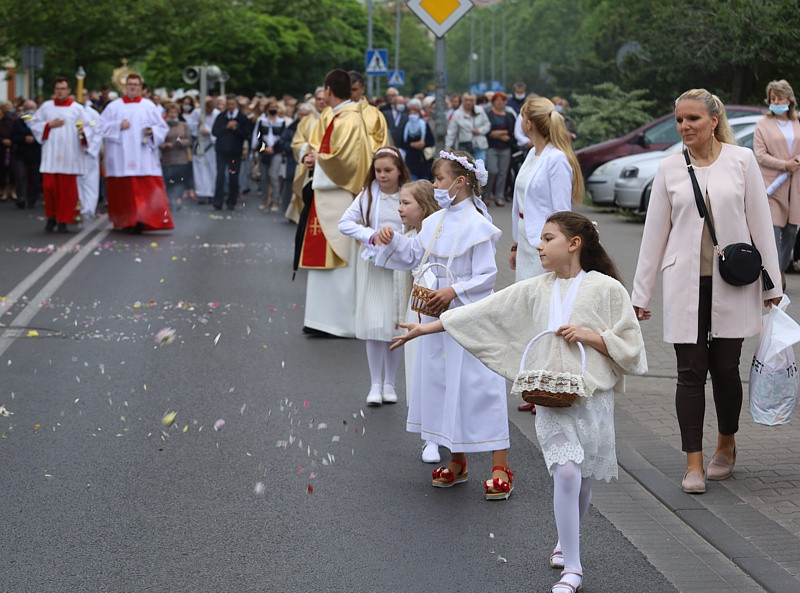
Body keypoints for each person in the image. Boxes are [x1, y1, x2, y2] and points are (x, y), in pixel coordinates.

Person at [392, 211, 647, 593]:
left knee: (582, 479)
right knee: (565, 472)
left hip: (591, 397)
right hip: (548, 395)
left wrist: (591, 337)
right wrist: (426, 327)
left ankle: (566, 541)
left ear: (574, 244)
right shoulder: (535, 288)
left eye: (548, 239)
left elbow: (632, 347)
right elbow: (484, 311)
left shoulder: (607, 289)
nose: (538, 246)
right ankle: (573, 570)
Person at [632, 89, 782, 494]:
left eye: (693, 119)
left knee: (726, 369)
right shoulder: (669, 168)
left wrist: (773, 286)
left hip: (733, 283)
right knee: (689, 372)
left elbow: (760, 224)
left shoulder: (742, 160)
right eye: (680, 120)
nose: (684, 127)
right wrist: (640, 295)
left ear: (714, 120)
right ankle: (693, 463)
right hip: (685, 284)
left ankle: (726, 444)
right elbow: (653, 235)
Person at [373, 150, 514, 500]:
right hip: (435, 315)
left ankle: (500, 464)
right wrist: (393, 240)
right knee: (442, 384)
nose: (435, 185)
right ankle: (458, 459)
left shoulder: (478, 226)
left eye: (440, 179)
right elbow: (414, 255)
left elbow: (487, 275)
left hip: (468, 315)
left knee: (479, 386)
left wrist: (454, 290)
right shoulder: (436, 223)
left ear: (461, 182)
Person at [510, 96, 584, 414]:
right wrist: (515, 243)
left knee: (549, 315)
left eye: (523, 117)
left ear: (528, 122)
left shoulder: (556, 160)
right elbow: (520, 203)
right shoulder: (531, 154)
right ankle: (536, 385)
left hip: (546, 248)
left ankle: (552, 385)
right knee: (532, 313)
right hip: (527, 245)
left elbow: (562, 211)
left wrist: (558, 250)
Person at [297, 68, 373, 337]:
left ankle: (337, 323)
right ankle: (320, 319)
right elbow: (330, 155)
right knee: (327, 259)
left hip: (338, 197)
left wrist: (317, 160)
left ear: (328, 90)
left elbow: (346, 163)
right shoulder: (340, 116)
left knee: (340, 260)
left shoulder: (348, 120)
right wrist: (314, 157)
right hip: (328, 198)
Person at [337, 147, 412, 405]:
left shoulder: (408, 193)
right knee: (374, 322)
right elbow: (344, 223)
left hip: (401, 266)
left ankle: (390, 382)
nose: (382, 175)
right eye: (378, 171)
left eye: (388, 170)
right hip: (374, 265)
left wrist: (400, 240)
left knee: (394, 323)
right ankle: (375, 383)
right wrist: (370, 234)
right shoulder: (368, 195)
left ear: (399, 170)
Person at [393, 179, 441, 461]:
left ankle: (446, 428)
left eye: (405, 203)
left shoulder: (439, 234)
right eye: (399, 202)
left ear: (423, 208)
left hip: (441, 308)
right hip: (418, 310)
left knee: (440, 370)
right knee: (418, 369)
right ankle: (429, 436)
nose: (399, 208)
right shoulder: (408, 234)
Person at [99, 72, 174, 233]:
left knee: (143, 190)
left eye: (136, 85)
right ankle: (128, 220)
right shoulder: (114, 106)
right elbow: (100, 127)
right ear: (125, 87)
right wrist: (118, 125)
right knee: (125, 191)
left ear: (140, 87)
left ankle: (142, 220)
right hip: (121, 156)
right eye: (130, 84)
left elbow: (162, 127)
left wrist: (151, 131)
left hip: (143, 156)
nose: (133, 87)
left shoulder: (148, 106)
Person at [29, 76, 93, 232]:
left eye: (63, 88)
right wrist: (48, 125)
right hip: (50, 154)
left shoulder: (77, 108)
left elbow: (88, 127)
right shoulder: (46, 106)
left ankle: (64, 220)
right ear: (54, 90)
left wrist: (82, 132)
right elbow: (33, 122)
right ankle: (51, 218)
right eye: (58, 88)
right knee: (49, 188)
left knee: (66, 192)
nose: (60, 91)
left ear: (69, 90)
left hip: (69, 156)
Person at [753, 79, 800, 290]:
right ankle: (770, 273)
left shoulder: (797, 122)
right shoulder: (763, 124)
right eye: (772, 98)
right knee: (772, 232)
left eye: (779, 98)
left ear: (789, 100)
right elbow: (760, 155)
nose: (775, 102)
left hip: (794, 186)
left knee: (791, 231)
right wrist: (784, 164)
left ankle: (781, 267)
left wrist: (795, 162)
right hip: (772, 185)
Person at [287, 89, 326, 224]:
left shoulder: (335, 119)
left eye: (324, 98)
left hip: (327, 166)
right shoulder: (307, 121)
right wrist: (308, 152)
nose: (321, 101)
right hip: (309, 166)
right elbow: (296, 142)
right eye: (318, 99)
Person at [212, 94, 252, 211]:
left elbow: (245, 134)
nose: (230, 106)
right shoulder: (221, 116)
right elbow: (215, 132)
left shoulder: (242, 118)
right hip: (221, 151)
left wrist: (236, 129)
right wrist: (226, 127)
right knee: (220, 176)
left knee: (233, 176)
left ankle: (231, 201)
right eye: (228, 104)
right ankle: (218, 201)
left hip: (235, 151)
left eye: (233, 104)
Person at [252, 99, 287, 212]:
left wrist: (274, 148)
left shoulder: (281, 122)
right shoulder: (261, 121)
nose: (273, 109)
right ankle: (264, 199)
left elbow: (283, 138)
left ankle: (275, 201)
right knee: (263, 177)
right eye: (271, 107)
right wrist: (260, 148)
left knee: (273, 175)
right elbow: (257, 136)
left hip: (276, 152)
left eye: (275, 107)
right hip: (264, 150)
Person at [485, 92, 517, 207]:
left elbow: (512, 131)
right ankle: (486, 195)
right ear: (493, 102)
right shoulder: (488, 114)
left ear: (505, 103)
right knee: (492, 171)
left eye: (501, 101)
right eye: (496, 101)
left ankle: (499, 196)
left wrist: (500, 133)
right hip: (491, 147)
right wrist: (501, 134)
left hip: (506, 148)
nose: (499, 103)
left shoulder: (509, 115)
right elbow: (488, 131)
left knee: (503, 173)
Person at [160, 103, 192, 211]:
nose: (173, 115)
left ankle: (177, 198)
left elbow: (189, 140)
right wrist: (165, 145)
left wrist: (181, 142)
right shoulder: (163, 126)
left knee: (179, 180)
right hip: (167, 159)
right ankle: (170, 199)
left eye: (174, 112)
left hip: (181, 158)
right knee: (169, 181)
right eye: (170, 112)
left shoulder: (183, 125)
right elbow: (158, 142)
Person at [10, 100, 41, 209]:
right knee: (21, 176)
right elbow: (13, 137)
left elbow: (44, 137)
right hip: (21, 154)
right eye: (27, 107)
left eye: (31, 107)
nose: (29, 110)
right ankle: (21, 198)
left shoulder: (39, 122)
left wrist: (34, 140)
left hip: (35, 154)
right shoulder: (18, 122)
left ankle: (32, 200)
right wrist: (24, 138)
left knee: (35, 178)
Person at [349, 71, 390, 152]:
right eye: (347, 89)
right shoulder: (332, 113)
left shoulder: (375, 114)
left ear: (362, 89)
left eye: (354, 89)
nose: (350, 93)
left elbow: (382, 143)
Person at [445, 93, 490, 163]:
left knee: (479, 167)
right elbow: (451, 132)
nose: (468, 102)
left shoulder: (480, 110)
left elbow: (487, 125)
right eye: (466, 100)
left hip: (479, 145)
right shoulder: (457, 114)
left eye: (471, 100)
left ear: (474, 101)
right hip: (464, 147)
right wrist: (447, 147)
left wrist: (479, 131)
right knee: (466, 169)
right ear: (462, 101)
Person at [78, 99, 103, 218]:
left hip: (89, 154)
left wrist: (91, 149)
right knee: (78, 182)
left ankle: (89, 209)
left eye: (83, 95)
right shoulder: (73, 111)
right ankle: (79, 207)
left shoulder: (93, 113)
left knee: (90, 182)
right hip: (76, 154)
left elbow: (99, 132)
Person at [398, 98, 434, 181]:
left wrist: (423, 144)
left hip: (423, 161)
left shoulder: (424, 125)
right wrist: (411, 144)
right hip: (411, 161)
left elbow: (431, 141)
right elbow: (401, 143)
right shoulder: (406, 126)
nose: (412, 114)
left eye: (415, 112)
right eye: (411, 112)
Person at [191, 98, 219, 203]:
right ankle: (202, 193)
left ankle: (212, 193)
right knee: (200, 170)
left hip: (211, 145)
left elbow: (218, 130)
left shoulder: (217, 114)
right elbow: (190, 128)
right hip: (199, 143)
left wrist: (209, 131)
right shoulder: (197, 112)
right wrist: (198, 124)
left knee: (212, 170)